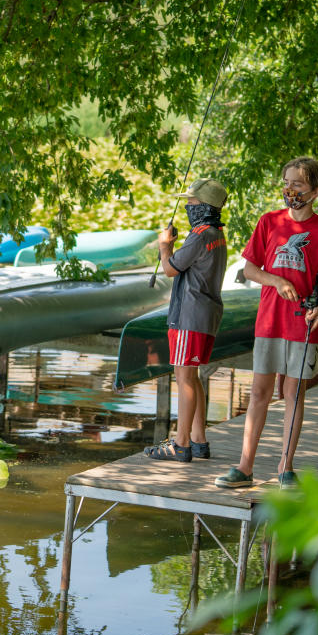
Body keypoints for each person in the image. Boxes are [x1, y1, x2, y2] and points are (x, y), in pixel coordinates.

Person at [215, 156, 318, 489]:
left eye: (298, 184)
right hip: (269, 321)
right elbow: (249, 270)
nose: (289, 190)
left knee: (293, 393)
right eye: (286, 182)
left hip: (303, 324)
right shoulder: (269, 222)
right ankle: (245, 468)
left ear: (315, 191)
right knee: (259, 392)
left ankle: (286, 467)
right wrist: (275, 281)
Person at [143, 178, 229, 463]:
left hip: (189, 317)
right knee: (192, 377)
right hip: (205, 315)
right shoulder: (216, 234)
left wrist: (164, 245)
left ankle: (180, 444)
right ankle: (199, 440)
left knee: (184, 378)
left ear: (205, 206)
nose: (188, 207)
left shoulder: (201, 235)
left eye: (192, 203)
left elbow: (170, 269)